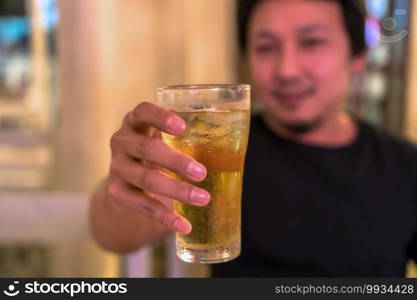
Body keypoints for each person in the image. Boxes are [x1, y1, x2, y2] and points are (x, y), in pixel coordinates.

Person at [89, 0, 417, 276]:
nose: (286, 70)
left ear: (357, 57)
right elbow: (112, 236)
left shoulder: (406, 167)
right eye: (265, 47)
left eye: (312, 42)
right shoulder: (212, 149)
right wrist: (126, 186)